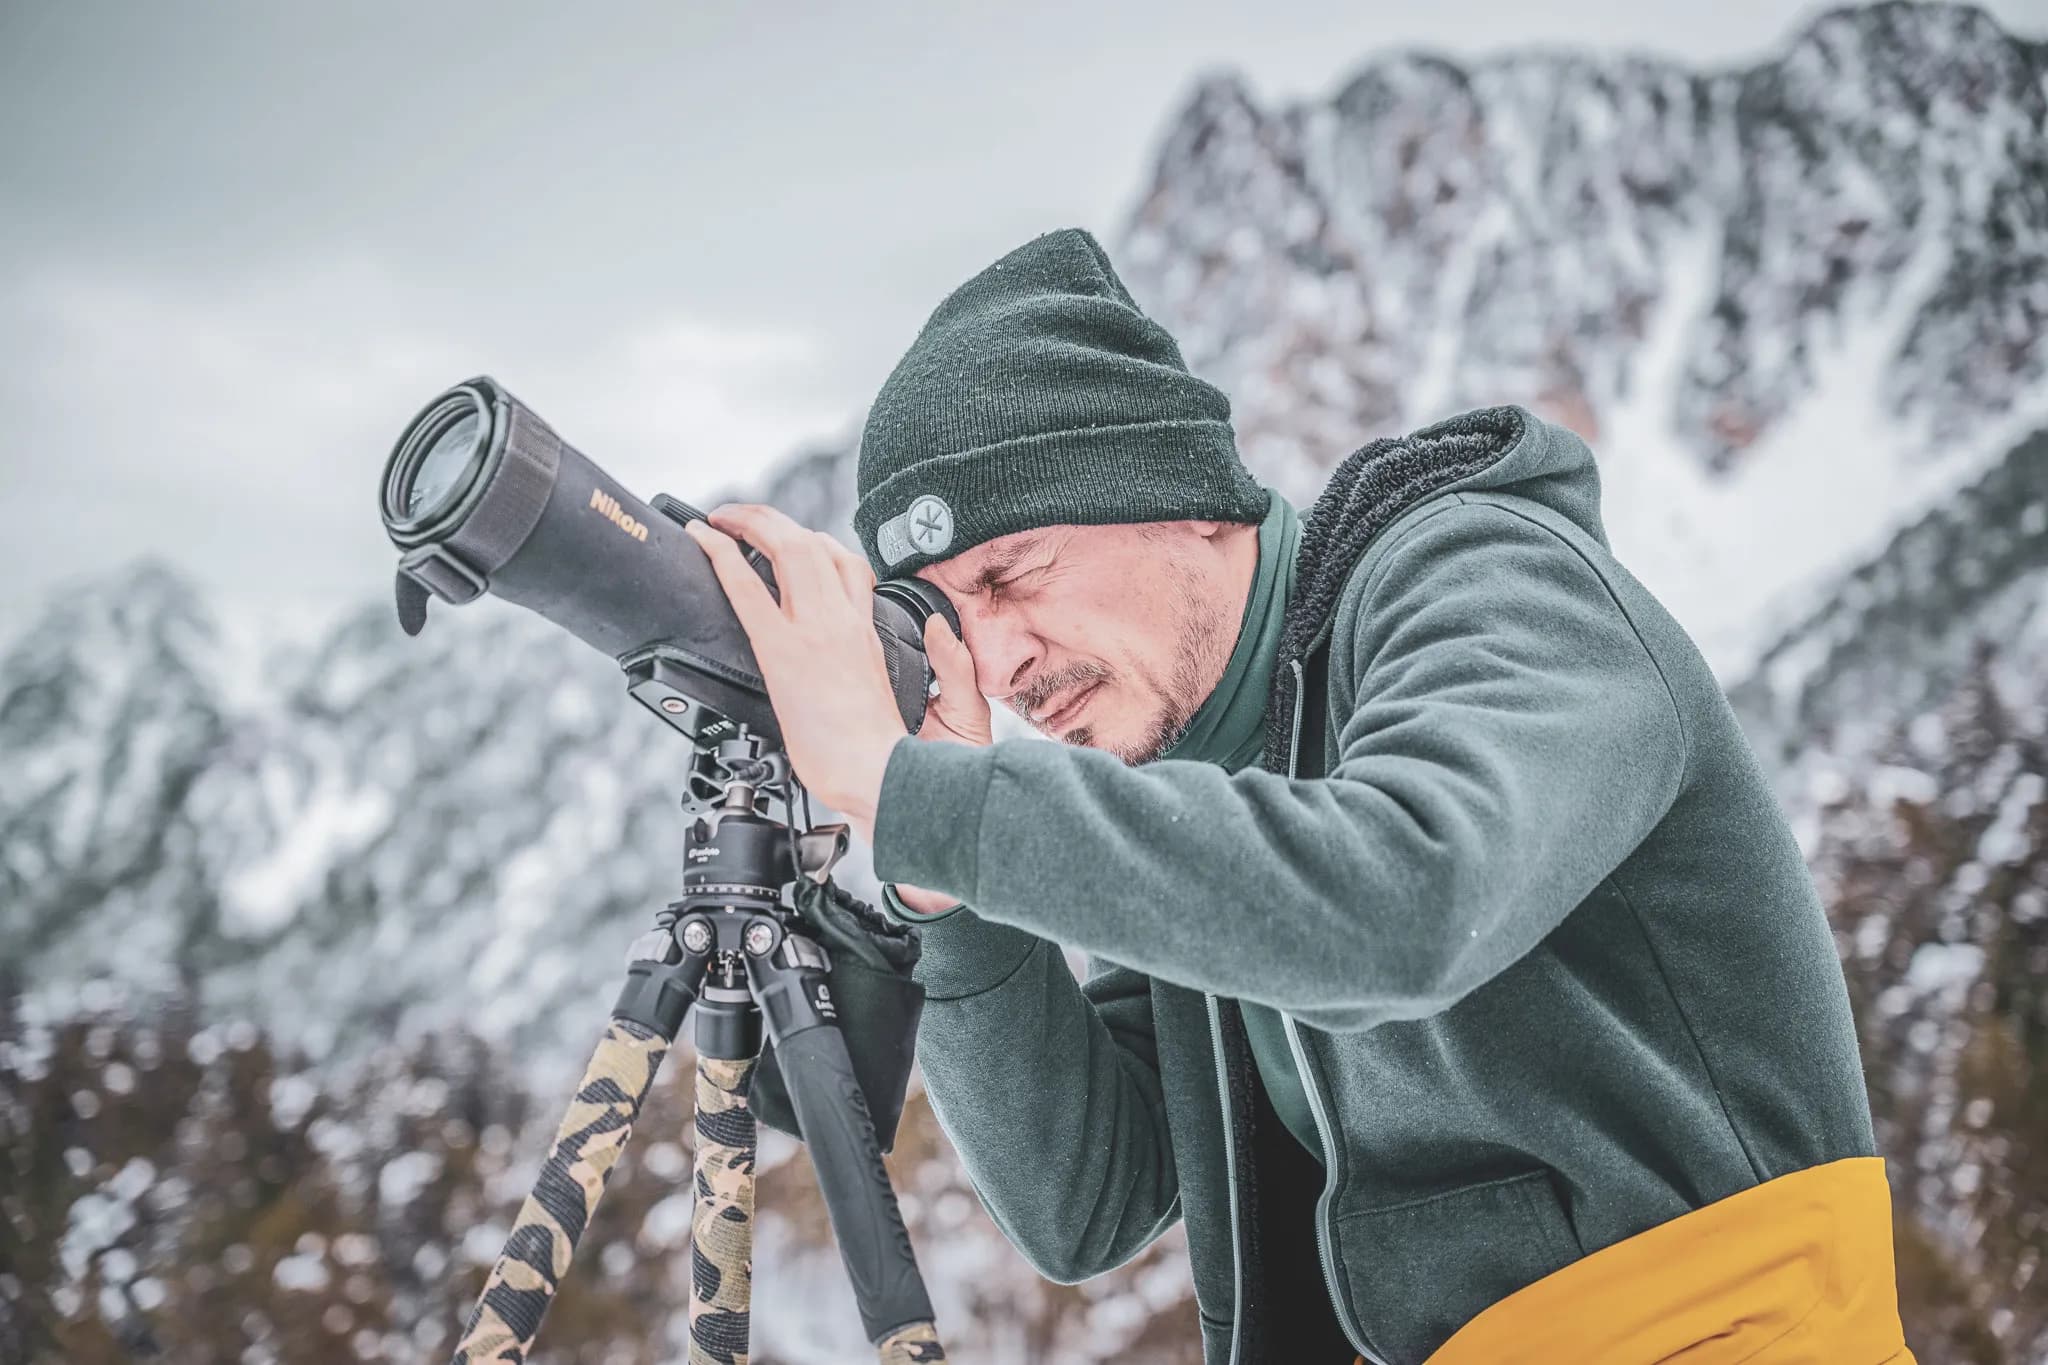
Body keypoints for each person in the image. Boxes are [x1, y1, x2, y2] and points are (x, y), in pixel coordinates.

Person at [681, 227, 1915, 1364]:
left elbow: (1409, 900)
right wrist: (945, 883)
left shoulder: (1483, 574)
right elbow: (1088, 1203)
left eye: (1015, 573)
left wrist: (913, 793)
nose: (999, 663)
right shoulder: (1203, 774)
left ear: (1174, 496)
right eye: (954, 618)